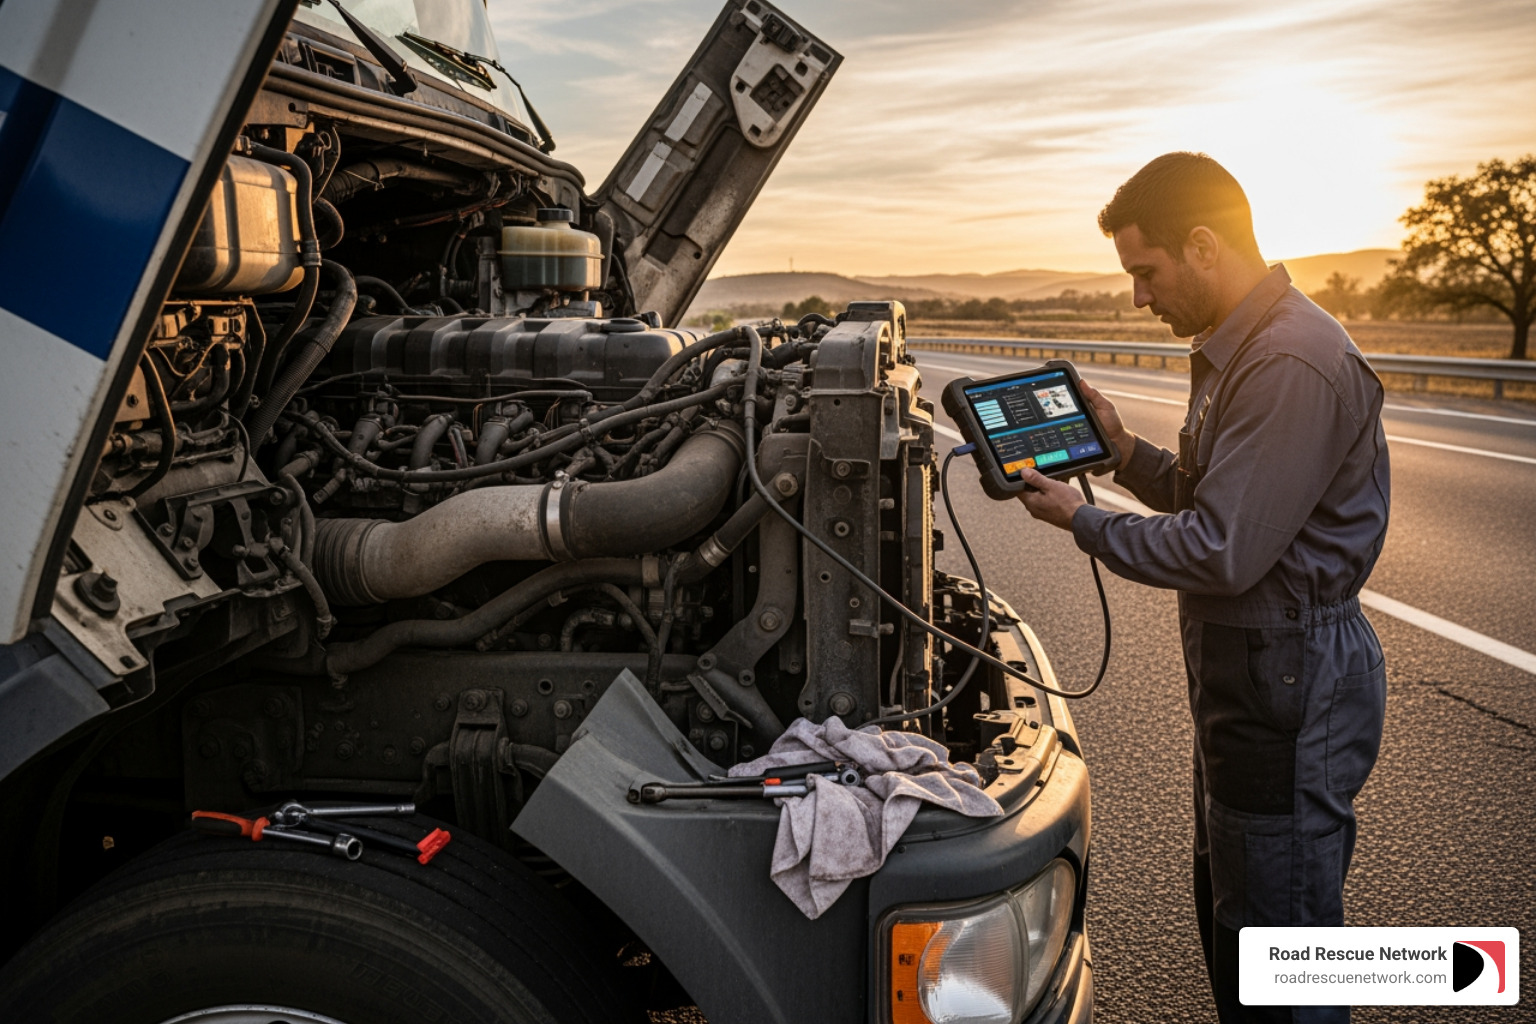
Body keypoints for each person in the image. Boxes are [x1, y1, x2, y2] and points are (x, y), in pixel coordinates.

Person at [1014, 152, 1390, 1024]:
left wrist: (1081, 519)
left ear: (1204, 245)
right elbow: (1216, 500)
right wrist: (1121, 455)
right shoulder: (1242, 347)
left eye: (1146, 272)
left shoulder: (1288, 360)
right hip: (1256, 677)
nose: (1137, 297)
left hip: (1290, 679)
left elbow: (1222, 549)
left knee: (1280, 952)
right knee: (1236, 919)